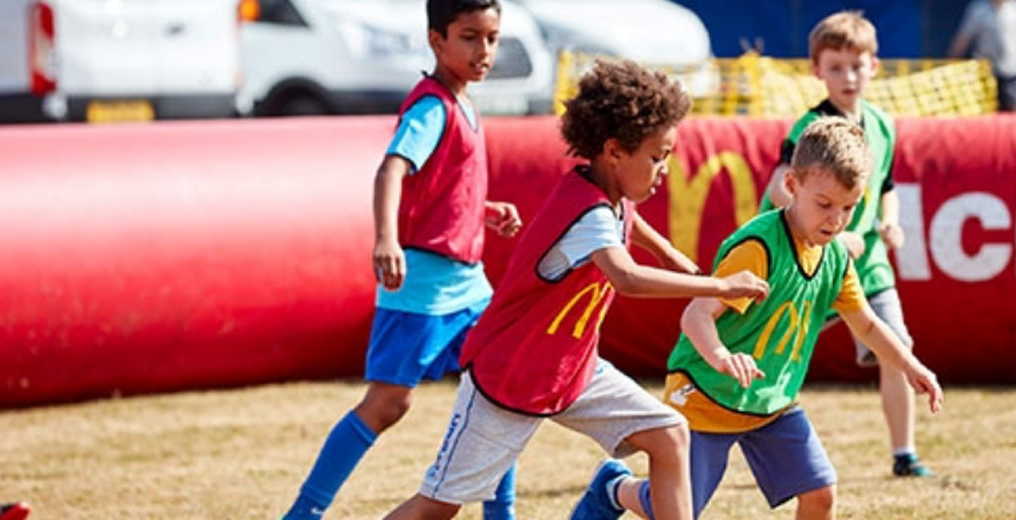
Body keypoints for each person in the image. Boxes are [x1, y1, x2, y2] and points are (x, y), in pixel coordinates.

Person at [378, 59, 770, 520]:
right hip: (513, 376)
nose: (664, 168)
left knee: (670, 435)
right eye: (657, 156)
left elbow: (631, 221)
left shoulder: (605, 191)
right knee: (438, 506)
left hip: (571, 370)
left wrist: (669, 253)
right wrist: (720, 284)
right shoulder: (589, 215)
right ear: (614, 150)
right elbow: (626, 277)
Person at [572, 117, 943, 520]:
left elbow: (866, 323)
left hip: (771, 401)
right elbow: (695, 316)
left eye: (848, 208)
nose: (836, 220)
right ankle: (615, 487)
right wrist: (721, 357)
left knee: (821, 493)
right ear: (791, 186)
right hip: (708, 393)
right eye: (824, 205)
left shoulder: (835, 255)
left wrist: (911, 365)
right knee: (673, 510)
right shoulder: (758, 248)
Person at [281, 1, 522, 518]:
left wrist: (481, 212)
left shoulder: (465, 104)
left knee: (502, 394)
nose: (484, 50)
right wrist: (386, 239)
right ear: (437, 41)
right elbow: (392, 170)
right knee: (389, 404)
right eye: (469, 37)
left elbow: (438, 193)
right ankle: (303, 514)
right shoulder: (432, 107)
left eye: (492, 38)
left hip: (470, 284)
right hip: (424, 285)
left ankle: (501, 513)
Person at [759, 10, 933, 478]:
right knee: (775, 351)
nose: (848, 76)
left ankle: (904, 454)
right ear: (817, 71)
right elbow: (780, 187)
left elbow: (887, 185)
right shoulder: (810, 127)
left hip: (866, 260)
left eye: (856, 66)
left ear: (874, 66)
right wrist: (836, 229)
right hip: (803, 258)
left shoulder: (881, 124)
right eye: (835, 67)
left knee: (898, 344)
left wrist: (889, 224)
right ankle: (739, 428)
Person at [948, 0, 1016, 112]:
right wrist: (953, 62)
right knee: (988, 112)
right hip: (987, 73)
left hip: (1013, 71)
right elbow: (964, 38)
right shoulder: (979, 10)